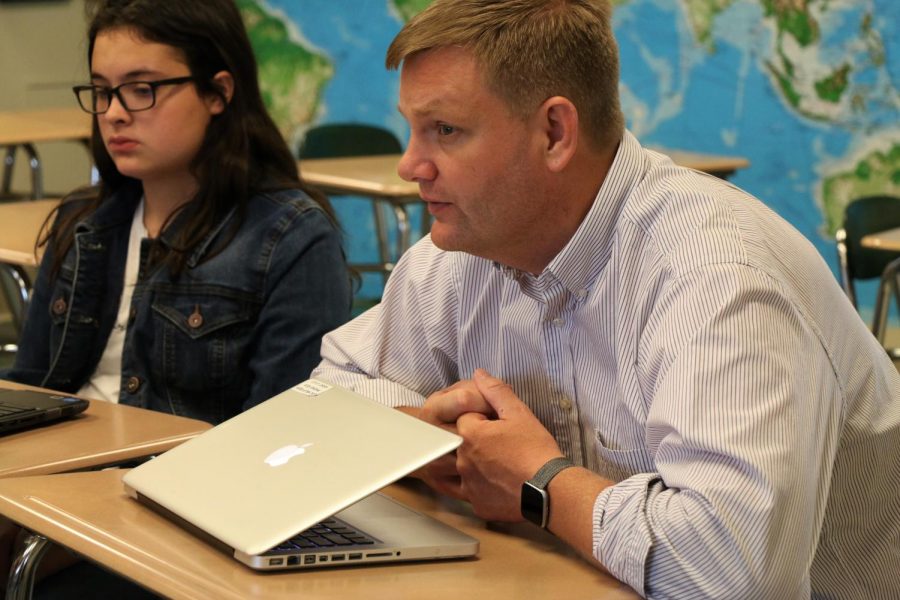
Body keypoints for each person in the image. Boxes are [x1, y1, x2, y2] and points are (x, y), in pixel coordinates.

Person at [314, 0, 900, 597]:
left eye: (445, 131)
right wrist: (424, 441)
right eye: (411, 129)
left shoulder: (717, 276)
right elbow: (332, 388)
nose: (411, 165)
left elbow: (734, 576)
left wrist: (540, 484)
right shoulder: (461, 252)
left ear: (554, 133)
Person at [2, 0, 351, 425]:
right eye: (102, 91)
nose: (113, 113)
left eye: (141, 89)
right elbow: (31, 392)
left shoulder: (290, 238)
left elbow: (282, 433)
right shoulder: (83, 223)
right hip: (54, 476)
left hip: (189, 481)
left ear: (218, 92)